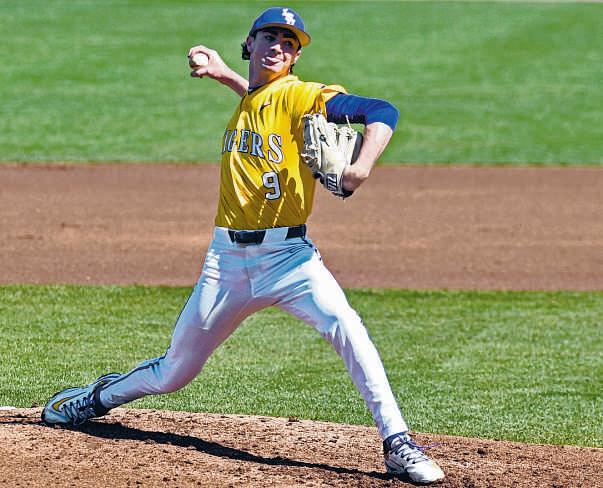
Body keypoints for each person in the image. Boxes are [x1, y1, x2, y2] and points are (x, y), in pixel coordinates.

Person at [42, 7, 444, 484]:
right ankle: (96, 398)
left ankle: (397, 442)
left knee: (346, 327)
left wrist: (360, 168)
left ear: (295, 58)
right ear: (250, 43)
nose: (279, 47)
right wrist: (223, 75)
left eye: (290, 43)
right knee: (174, 372)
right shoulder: (256, 97)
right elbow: (258, 100)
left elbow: (381, 112)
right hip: (226, 263)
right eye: (270, 37)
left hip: (290, 259)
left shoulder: (301, 95)